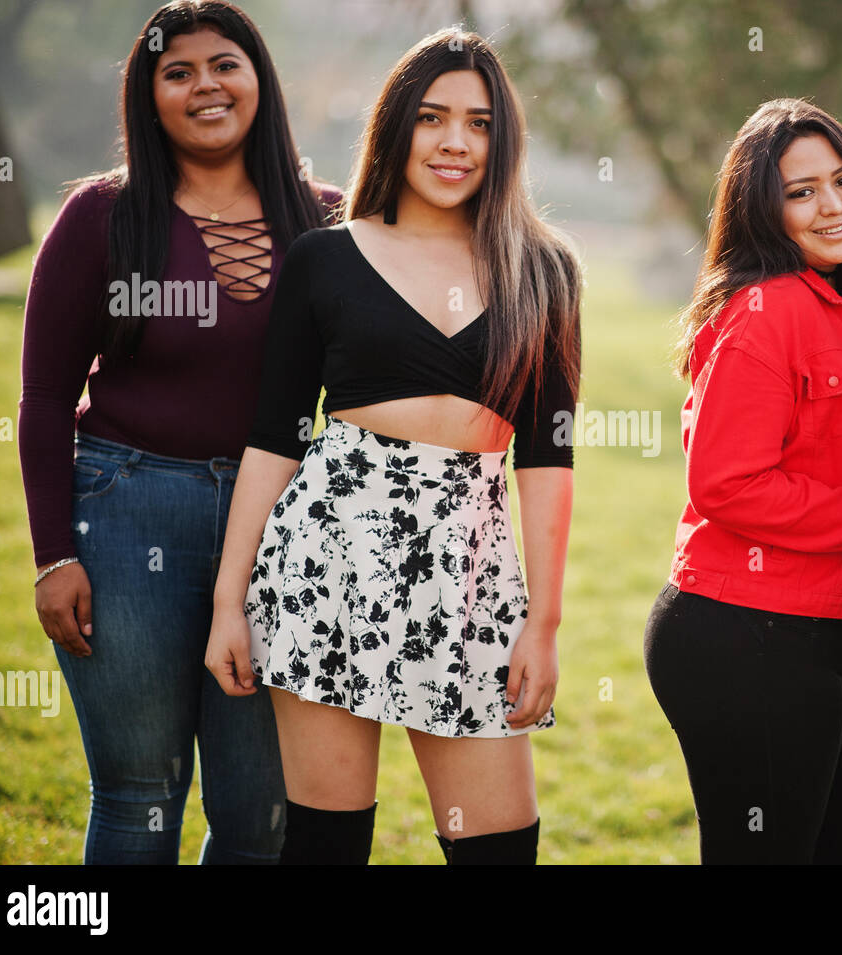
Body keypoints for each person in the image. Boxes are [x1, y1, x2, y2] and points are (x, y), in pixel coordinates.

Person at [205, 28, 581, 866]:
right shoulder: (324, 259)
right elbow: (275, 439)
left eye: (479, 123)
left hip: (472, 582)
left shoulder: (543, 271)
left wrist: (544, 626)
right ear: (398, 126)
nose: (455, 142)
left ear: (503, 140)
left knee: (497, 848)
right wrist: (230, 601)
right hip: (324, 568)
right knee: (327, 847)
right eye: (433, 117)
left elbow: (549, 461)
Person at [19, 0, 340, 864]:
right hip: (126, 514)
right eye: (178, 71)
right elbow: (45, 397)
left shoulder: (329, 222)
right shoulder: (102, 218)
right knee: (138, 801)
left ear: (260, 81)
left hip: (279, 529)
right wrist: (54, 555)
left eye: (225, 64)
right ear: (148, 96)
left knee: (261, 818)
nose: (206, 84)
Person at [642, 98, 842, 864]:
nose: (833, 205)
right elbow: (727, 484)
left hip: (823, 648)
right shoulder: (765, 313)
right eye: (801, 191)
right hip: (747, 640)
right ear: (761, 208)